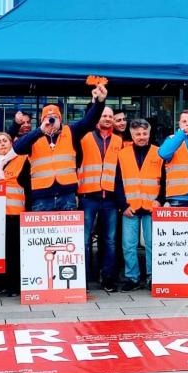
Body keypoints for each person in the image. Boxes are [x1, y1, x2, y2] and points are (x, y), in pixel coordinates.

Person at [13, 85, 106, 210]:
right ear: (42, 120)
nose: (51, 121)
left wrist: (99, 103)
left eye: (55, 118)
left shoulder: (71, 131)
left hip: (67, 195)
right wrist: (40, 130)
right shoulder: (34, 136)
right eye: (48, 118)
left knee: (69, 230)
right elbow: (17, 148)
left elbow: (89, 122)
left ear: (60, 119)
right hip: (42, 197)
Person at [76, 105, 123, 292]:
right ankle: (83, 279)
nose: (107, 118)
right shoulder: (83, 138)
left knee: (110, 240)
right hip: (88, 196)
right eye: (104, 115)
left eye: (110, 116)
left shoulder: (119, 141)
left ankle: (108, 278)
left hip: (110, 198)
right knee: (85, 240)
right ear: (96, 117)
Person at [114, 119, 163, 291]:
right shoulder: (122, 154)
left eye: (144, 133)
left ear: (149, 133)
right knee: (128, 245)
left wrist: (160, 200)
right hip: (130, 207)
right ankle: (132, 278)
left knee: (152, 244)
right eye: (137, 134)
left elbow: (165, 179)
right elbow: (117, 182)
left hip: (151, 206)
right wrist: (122, 205)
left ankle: (152, 276)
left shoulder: (159, 153)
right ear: (132, 135)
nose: (141, 137)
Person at [0, 132, 30, 297]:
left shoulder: (22, 160)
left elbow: (28, 188)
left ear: (11, 143)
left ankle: (14, 286)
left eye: (5, 141)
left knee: (14, 251)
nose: (2, 144)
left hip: (15, 214)